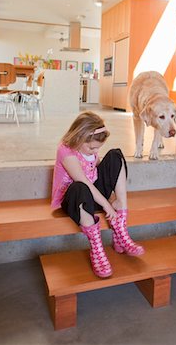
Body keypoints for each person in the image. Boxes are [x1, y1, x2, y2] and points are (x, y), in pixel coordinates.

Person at [51, 111, 144, 278]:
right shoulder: (65, 150)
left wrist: (111, 197)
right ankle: (96, 248)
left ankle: (120, 224)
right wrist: (106, 205)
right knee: (80, 187)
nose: (95, 151)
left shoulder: (90, 148)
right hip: (75, 200)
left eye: (97, 148)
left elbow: (96, 168)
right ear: (79, 137)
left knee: (115, 155)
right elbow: (85, 181)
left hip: (93, 195)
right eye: (92, 147)